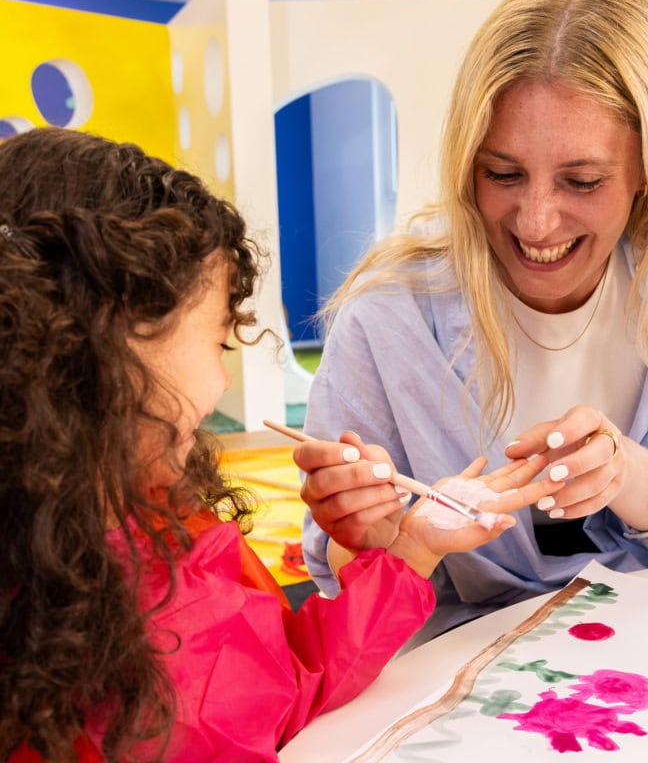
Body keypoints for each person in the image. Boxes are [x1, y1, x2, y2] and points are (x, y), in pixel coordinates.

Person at [0, 127, 545, 762]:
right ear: (110, 348)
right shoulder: (134, 645)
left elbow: (289, 678)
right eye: (217, 340)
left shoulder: (158, 511)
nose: (224, 379)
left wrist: (412, 546)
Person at [300, 0, 648, 645]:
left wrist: (627, 472)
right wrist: (372, 542)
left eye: (581, 181)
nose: (534, 222)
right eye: (502, 173)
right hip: (462, 664)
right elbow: (346, 597)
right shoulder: (391, 317)